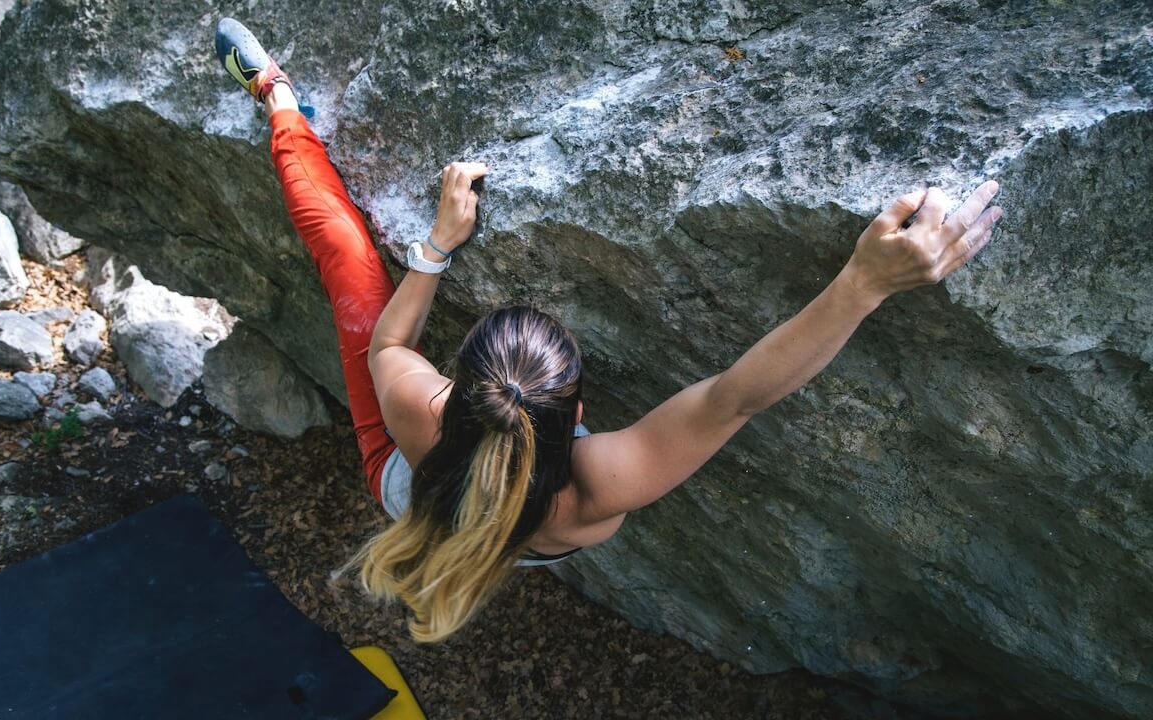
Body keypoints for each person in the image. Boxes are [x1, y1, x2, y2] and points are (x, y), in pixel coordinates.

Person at [215, 19, 1003, 643]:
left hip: (405, 487)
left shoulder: (417, 414)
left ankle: (278, 98)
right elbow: (733, 399)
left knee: (349, 257)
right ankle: (278, 95)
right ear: (577, 411)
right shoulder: (595, 491)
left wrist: (437, 249)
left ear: (452, 392)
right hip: (481, 513)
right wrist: (864, 280)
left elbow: (386, 343)